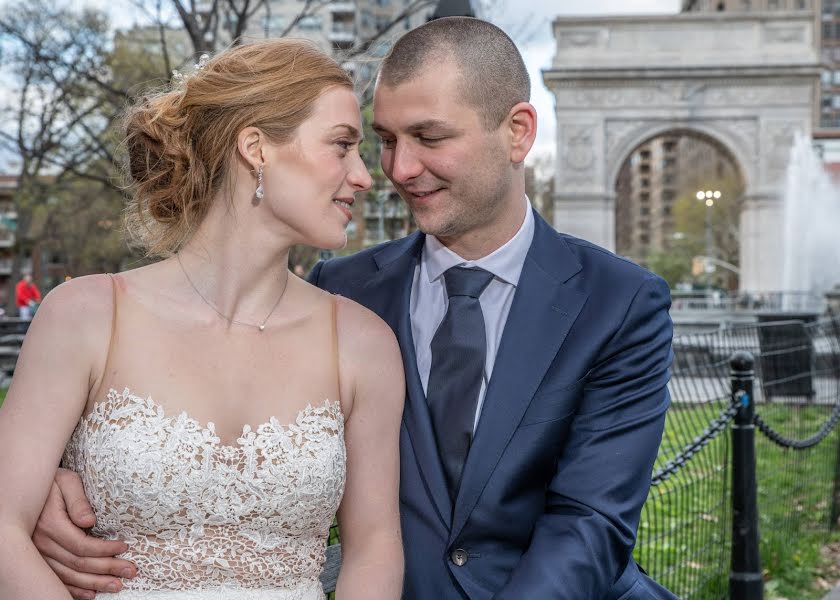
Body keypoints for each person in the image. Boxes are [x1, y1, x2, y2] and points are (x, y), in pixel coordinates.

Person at [34, 17, 675, 599]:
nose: (397, 168)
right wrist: (56, 483)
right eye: (383, 139)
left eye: (428, 137)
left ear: (517, 132)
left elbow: (589, 522)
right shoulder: (340, 291)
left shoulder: (620, 302)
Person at [0, 39, 404, 599]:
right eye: (342, 146)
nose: (364, 176)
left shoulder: (363, 344)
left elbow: (375, 548)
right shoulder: (86, 316)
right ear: (256, 147)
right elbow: (5, 530)